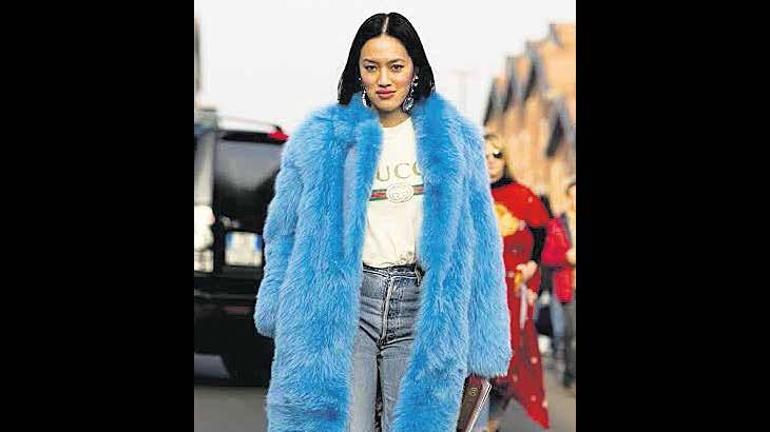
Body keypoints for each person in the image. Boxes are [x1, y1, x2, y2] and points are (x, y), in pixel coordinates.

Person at [253, 12, 511, 432]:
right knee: (341, 424)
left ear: (415, 69)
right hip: (345, 301)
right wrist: (278, 307)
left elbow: (481, 241)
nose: (384, 79)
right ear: (357, 71)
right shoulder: (322, 137)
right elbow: (284, 231)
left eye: (396, 66)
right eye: (371, 67)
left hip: (423, 307)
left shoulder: (454, 139)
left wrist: (486, 336)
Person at [477, 132, 550, 431]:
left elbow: (541, 231)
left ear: (505, 158)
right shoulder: (471, 192)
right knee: (474, 363)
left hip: (512, 289)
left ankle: (493, 421)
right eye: (484, 155)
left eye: (496, 154)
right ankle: (474, 419)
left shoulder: (522, 195)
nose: (490, 161)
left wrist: (533, 265)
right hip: (477, 289)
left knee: (508, 362)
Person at [542, 178, 577, 389]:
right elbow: (547, 257)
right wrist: (566, 257)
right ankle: (570, 374)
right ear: (568, 198)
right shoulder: (557, 225)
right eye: (573, 196)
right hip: (567, 285)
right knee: (568, 333)